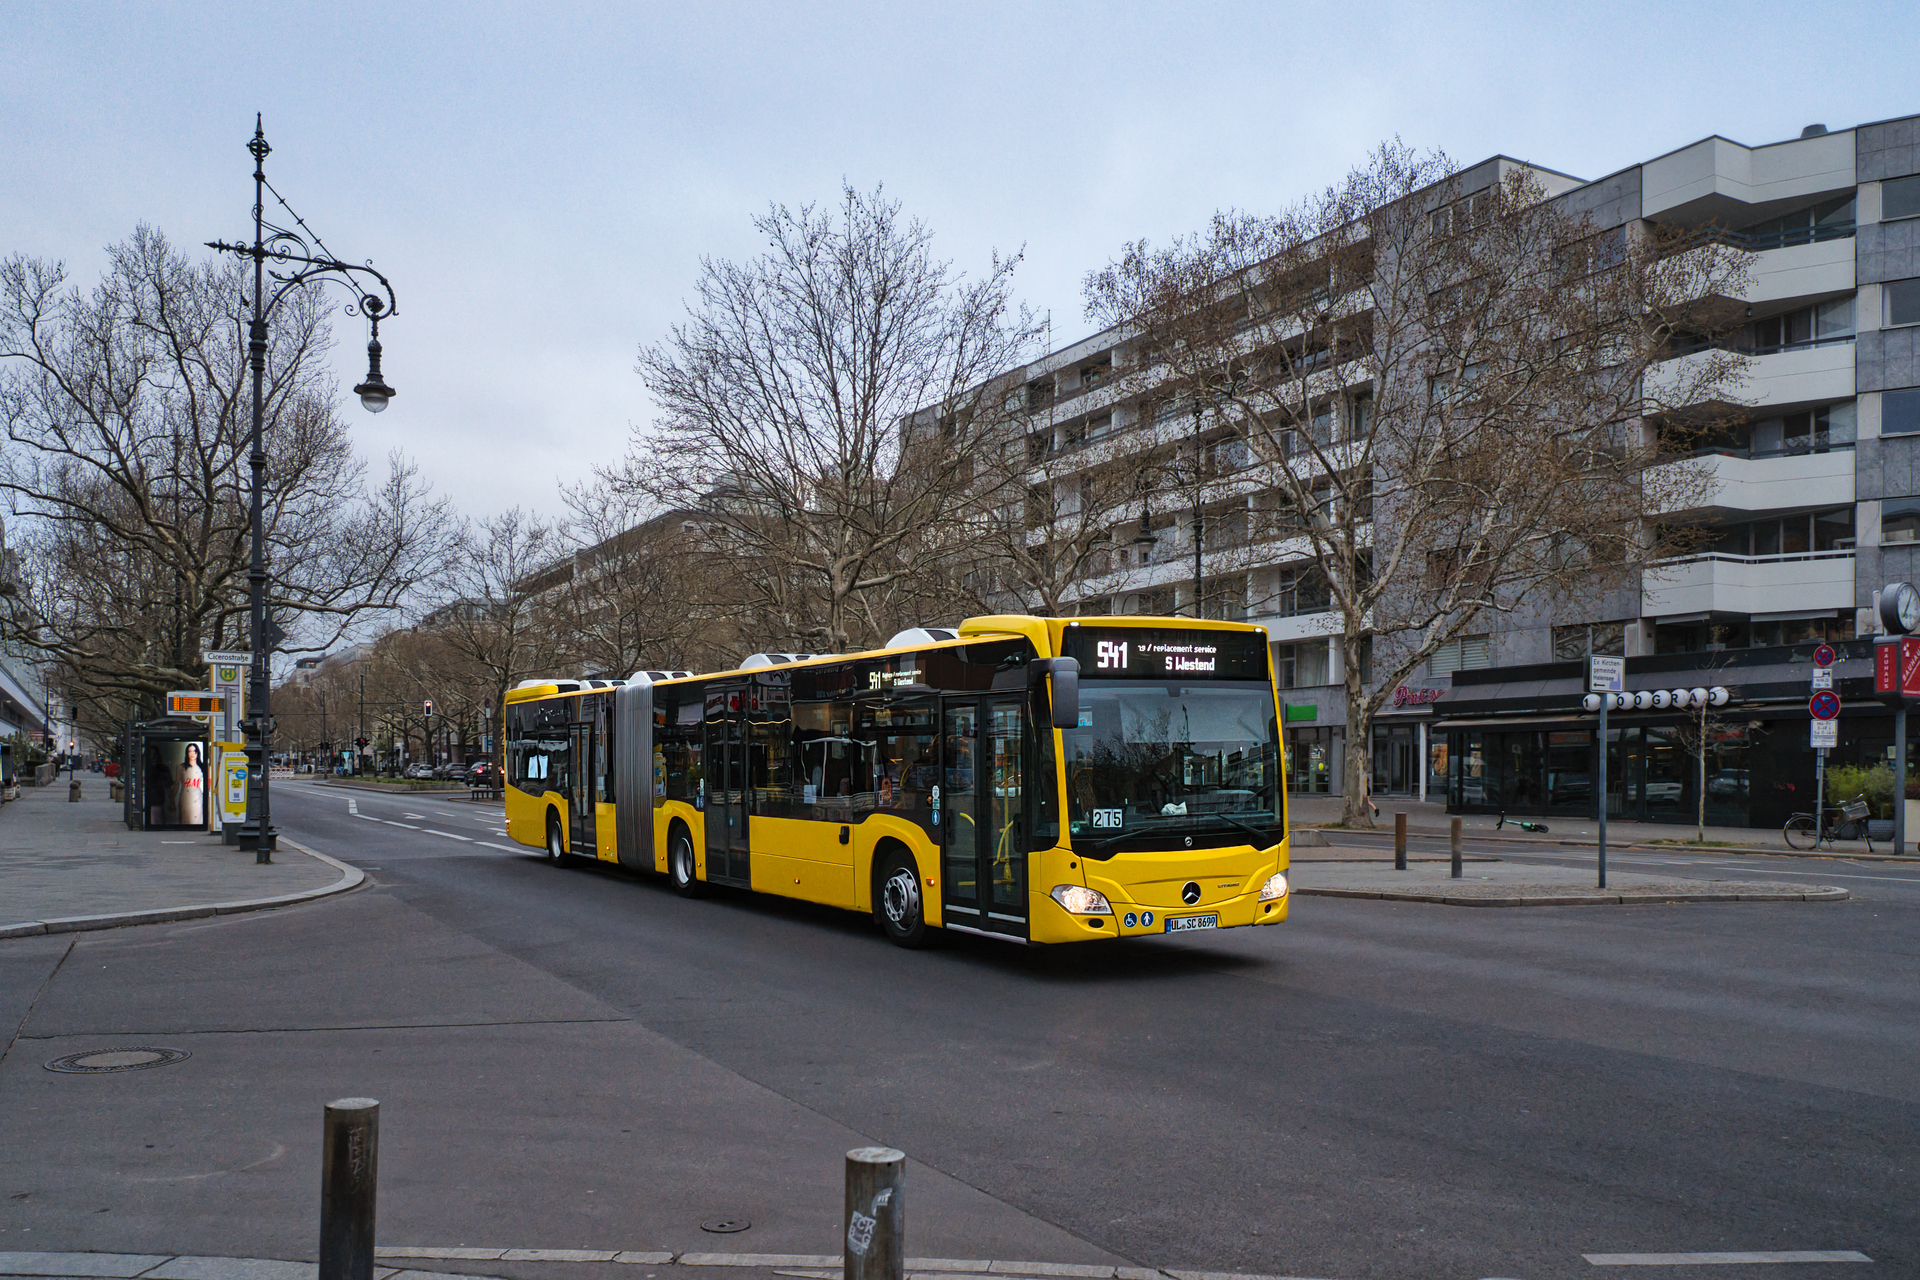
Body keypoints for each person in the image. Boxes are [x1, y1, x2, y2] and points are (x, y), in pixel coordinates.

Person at [177, 743, 206, 827]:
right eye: (190, 751)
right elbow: (177, 784)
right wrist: (172, 799)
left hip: (197, 798)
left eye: (194, 751)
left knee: (196, 820)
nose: (192, 753)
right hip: (185, 797)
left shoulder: (202, 767)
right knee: (185, 820)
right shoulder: (181, 767)